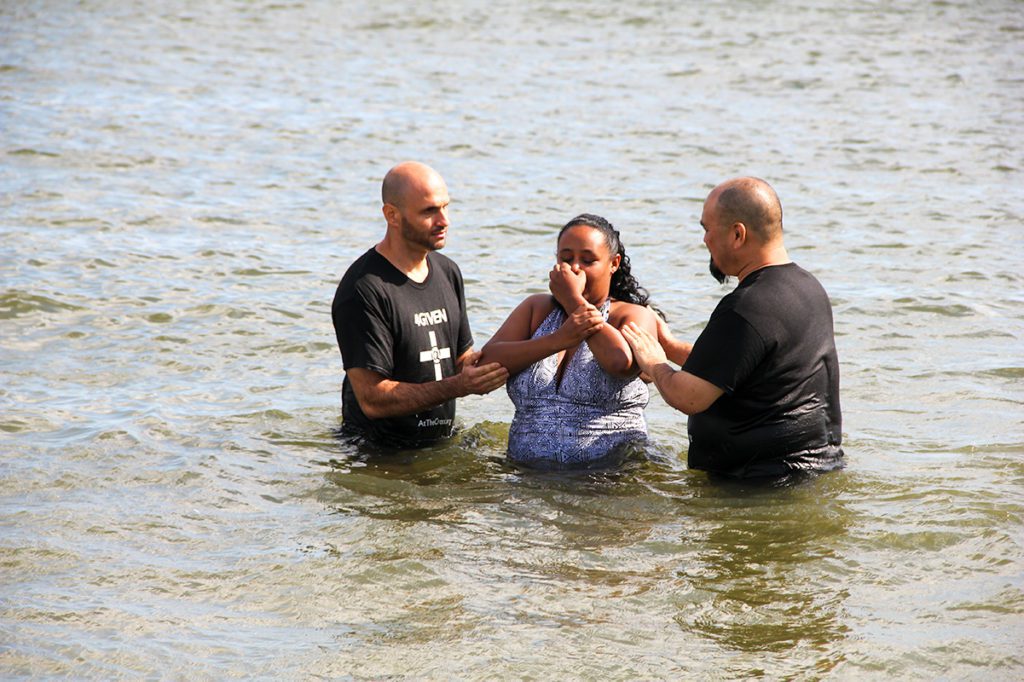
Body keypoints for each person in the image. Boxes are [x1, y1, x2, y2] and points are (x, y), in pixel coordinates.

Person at [622, 177, 844, 478]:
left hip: (761, 484)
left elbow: (689, 397)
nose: (704, 241)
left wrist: (655, 362)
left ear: (738, 234)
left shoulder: (747, 306)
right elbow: (743, 367)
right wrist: (672, 347)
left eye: (707, 229)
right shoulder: (808, 287)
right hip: (814, 469)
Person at [331, 161, 508, 447]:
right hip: (380, 455)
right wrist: (460, 387)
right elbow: (373, 400)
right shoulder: (364, 289)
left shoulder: (448, 272)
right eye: (429, 211)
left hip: (439, 443)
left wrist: (513, 357)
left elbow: (460, 360)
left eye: (445, 207)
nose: (444, 220)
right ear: (392, 215)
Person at [481, 214, 658, 467]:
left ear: (613, 263)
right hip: (526, 477)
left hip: (607, 478)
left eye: (587, 260)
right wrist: (556, 340)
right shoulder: (536, 309)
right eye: (566, 259)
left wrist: (575, 302)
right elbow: (487, 362)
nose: (575, 268)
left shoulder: (632, 314)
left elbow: (621, 363)